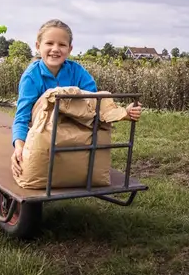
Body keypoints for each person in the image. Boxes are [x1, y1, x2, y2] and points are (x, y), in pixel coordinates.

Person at [10, 19, 142, 177]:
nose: (55, 49)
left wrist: (120, 113)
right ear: (38, 46)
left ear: (70, 49)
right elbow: (22, 117)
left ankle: (122, 115)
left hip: (75, 126)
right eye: (49, 43)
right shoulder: (32, 77)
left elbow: (93, 104)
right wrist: (19, 146)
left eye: (62, 45)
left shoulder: (77, 72)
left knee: (98, 97)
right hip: (42, 130)